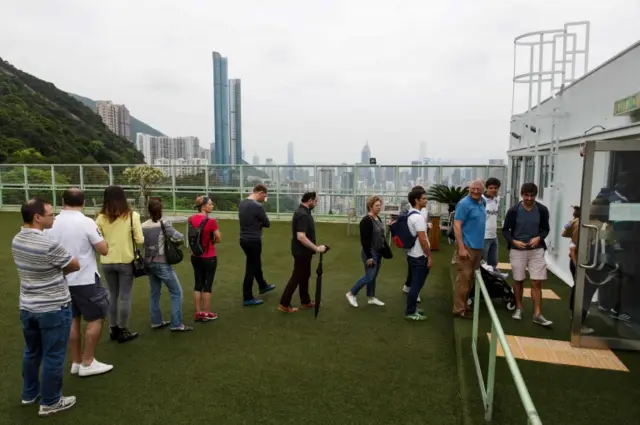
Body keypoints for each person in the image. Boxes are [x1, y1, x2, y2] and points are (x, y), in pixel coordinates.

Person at [13, 197, 80, 416]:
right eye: (51, 214)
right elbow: (73, 264)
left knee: (32, 352)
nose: (54, 218)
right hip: (52, 307)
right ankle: (51, 401)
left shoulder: (16, 240)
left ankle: (29, 393)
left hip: (28, 306)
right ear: (37, 217)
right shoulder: (47, 243)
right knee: (53, 355)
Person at [47, 188, 113, 377]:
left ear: (62, 201)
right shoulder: (86, 222)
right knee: (96, 318)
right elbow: (103, 250)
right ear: (83, 203)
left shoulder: (52, 222)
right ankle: (88, 361)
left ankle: (76, 361)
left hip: (61, 279)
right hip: (85, 278)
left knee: (72, 320)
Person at [95, 186, 144, 343]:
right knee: (125, 296)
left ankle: (113, 327)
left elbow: (97, 238)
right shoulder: (132, 216)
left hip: (107, 260)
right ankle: (123, 329)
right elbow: (140, 240)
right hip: (125, 261)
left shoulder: (100, 217)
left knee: (112, 294)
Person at [502, 182, 552, 327]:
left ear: (535, 196)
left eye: (532, 196)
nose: (529, 198)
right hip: (517, 250)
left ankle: (537, 313)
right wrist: (514, 242)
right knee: (518, 280)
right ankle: (518, 308)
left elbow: (546, 229)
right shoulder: (513, 211)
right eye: (526, 195)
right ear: (522, 194)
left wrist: (539, 238)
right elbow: (505, 230)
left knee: (537, 281)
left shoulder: (542, 210)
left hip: (536, 250)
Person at [142, 199, 193, 332]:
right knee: (176, 292)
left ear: (148, 210)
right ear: (161, 210)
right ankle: (176, 324)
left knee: (154, 293)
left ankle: (156, 321)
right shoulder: (164, 223)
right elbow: (179, 236)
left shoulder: (143, 225)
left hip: (148, 263)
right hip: (161, 262)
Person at [278, 191, 327, 313]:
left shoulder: (303, 212)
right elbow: (301, 236)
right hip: (301, 252)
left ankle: (305, 301)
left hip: (303, 251)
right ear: (310, 200)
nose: (317, 203)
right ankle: (284, 304)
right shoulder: (303, 215)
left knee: (305, 275)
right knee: (297, 277)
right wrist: (316, 248)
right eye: (316, 201)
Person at [453, 180, 486, 319]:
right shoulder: (464, 204)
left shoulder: (482, 202)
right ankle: (459, 309)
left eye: (479, 189)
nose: (476, 191)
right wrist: (461, 248)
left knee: (471, 279)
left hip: (478, 247)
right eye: (473, 188)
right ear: (468, 189)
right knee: (463, 279)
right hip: (467, 247)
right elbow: (457, 225)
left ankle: (465, 305)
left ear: (483, 190)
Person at [238, 184, 276, 306]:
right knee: (251, 267)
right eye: (264, 196)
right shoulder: (257, 206)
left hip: (243, 239)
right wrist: (259, 222)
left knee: (255, 262)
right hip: (253, 240)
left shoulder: (242, 203)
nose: (264, 199)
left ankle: (262, 285)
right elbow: (267, 223)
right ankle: (247, 296)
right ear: (259, 193)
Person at [346, 195, 386, 308]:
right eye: (377, 205)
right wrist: (369, 256)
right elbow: (364, 241)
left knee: (373, 276)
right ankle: (351, 293)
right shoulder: (366, 221)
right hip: (370, 252)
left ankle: (371, 297)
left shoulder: (378, 218)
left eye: (380, 205)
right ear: (370, 206)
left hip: (378, 252)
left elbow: (381, 235)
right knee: (369, 276)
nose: (379, 207)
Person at [188, 195, 221, 322]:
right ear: (203, 206)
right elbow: (218, 238)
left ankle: (198, 312)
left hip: (195, 256)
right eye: (210, 204)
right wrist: (212, 241)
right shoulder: (211, 221)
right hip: (209, 256)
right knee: (207, 285)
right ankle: (206, 313)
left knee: (198, 284)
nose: (212, 206)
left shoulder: (190, 219)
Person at [404, 186, 432, 321]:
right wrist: (429, 256)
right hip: (420, 256)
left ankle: (413, 308)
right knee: (416, 285)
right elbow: (423, 240)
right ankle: (410, 311)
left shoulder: (410, 215)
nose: (426, 201)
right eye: (424, 198)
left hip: (411, 254)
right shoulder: (419, 218)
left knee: (415, 284)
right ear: (417, 200)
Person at [482, 178, 501, 269]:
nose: (493, 190)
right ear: (486, 188)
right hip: (483, 236)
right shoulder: (481, 200)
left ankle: (493, 280)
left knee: (493, 263)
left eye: (496, 188)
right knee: (482, 263)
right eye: (491, 188)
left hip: (494, 236)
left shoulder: (497, 199)